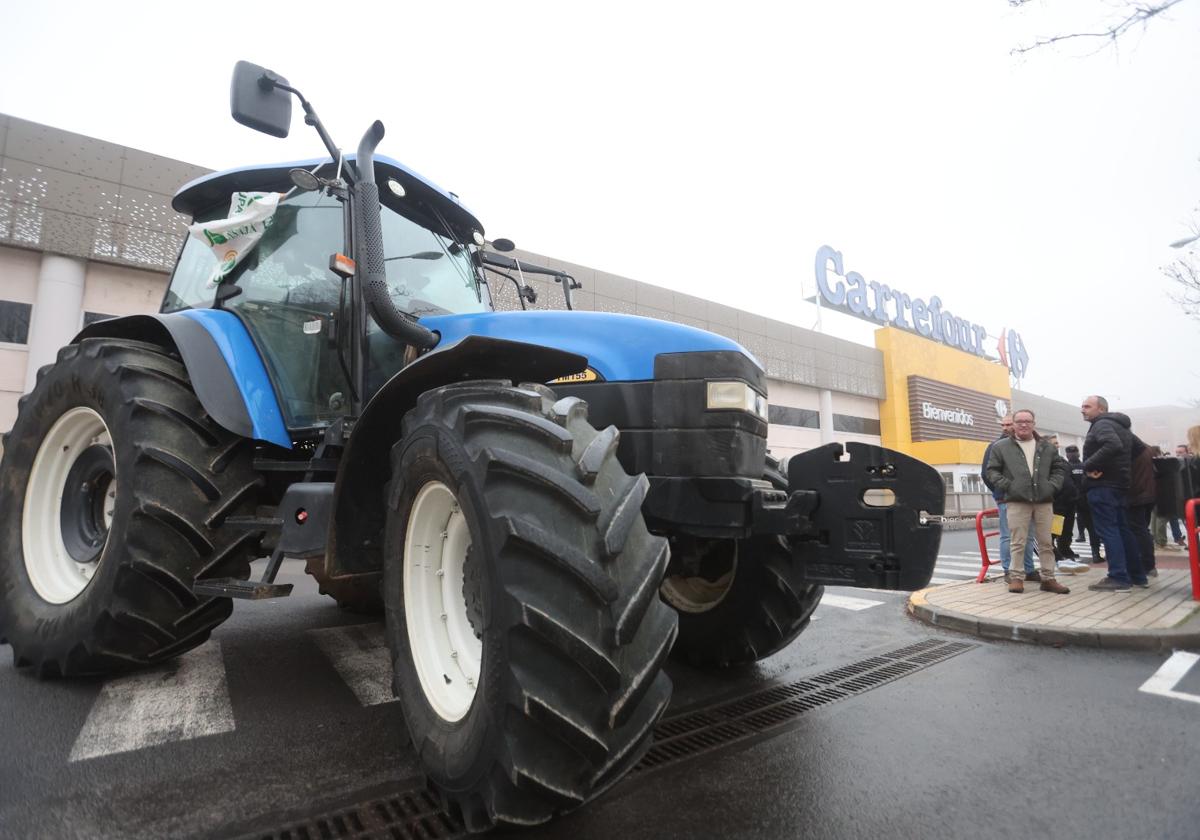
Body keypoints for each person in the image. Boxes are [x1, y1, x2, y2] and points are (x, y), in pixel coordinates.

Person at [985, 409, 1070, 594]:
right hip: (1016, 501)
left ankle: (1048, 578)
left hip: (1044, 500)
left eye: (1028, 421)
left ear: (1034, 423)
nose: (1024, 424)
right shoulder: (1001, 447)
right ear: (1013, 424)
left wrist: (1052, 486)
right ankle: (1016, 577)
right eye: (1020, 421)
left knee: (1046, 542)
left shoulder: (1046, 447)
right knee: (1017, 541)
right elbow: (991, 471)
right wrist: (1009, 486)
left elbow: (1058, 468)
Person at [1081, 395, 1147, 592]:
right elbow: (1138, 448)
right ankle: (1137, 576)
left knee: (1109, 531)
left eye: (1087, 406)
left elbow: (1113, 445)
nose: (1082, 410)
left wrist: (1089, 465)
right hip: (1119, 485)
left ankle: (1118, 576)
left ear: (1101, 409)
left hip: (1102, 485)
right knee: (1122, 530)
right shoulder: (1121, 426)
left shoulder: (1101, 425)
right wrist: (1119, 468)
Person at [980, 414, 1037, 582]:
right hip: (1006, 498)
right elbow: (986, 474)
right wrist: (1001, 491)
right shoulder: (995, 446)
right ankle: (1008, 570)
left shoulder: (1026, 444)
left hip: (1028, 497)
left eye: (1008, 424)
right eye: (1003, 425)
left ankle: (1028, 569)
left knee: (1027, 536)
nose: (1005, 428)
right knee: (1008, 536)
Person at [1126, 439, 1157, 577]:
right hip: (1149, 494)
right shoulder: (1148, 448)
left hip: (1136, 495)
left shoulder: (1130, 448)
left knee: (1138, 530)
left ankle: (1146, 565)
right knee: (1143, 530)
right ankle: (1149, 565)